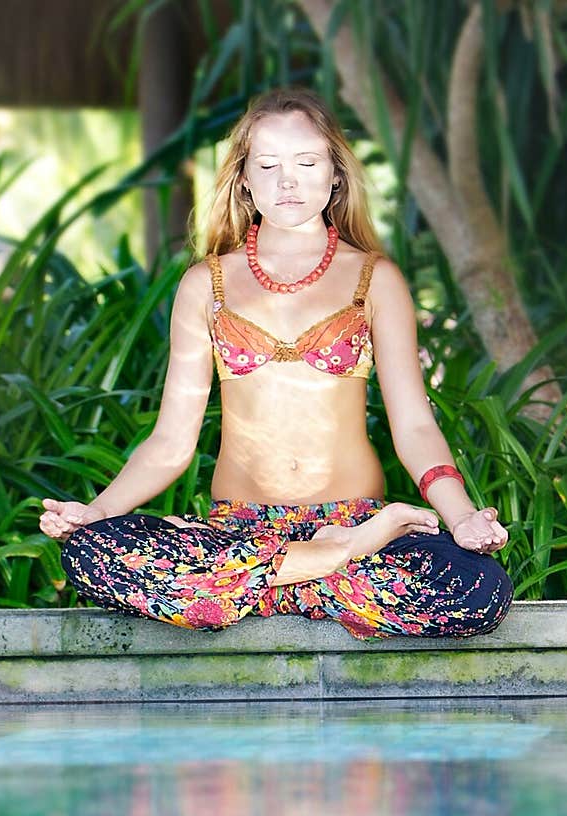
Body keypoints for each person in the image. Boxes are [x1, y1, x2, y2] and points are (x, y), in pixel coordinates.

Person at [39, 87, 513, 640]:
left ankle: (278, 576)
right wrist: (96, 513)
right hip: (239, 532)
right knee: (94, 553)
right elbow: (170, 442)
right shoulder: (206, 284)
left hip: (354, 520)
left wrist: (459, 517)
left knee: (479, 590)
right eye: (268, 165)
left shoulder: (374, 279)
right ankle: (327, 565)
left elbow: (413, 425)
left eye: (307, 162)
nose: (287, 181)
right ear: (244, 178)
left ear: (336, 173)